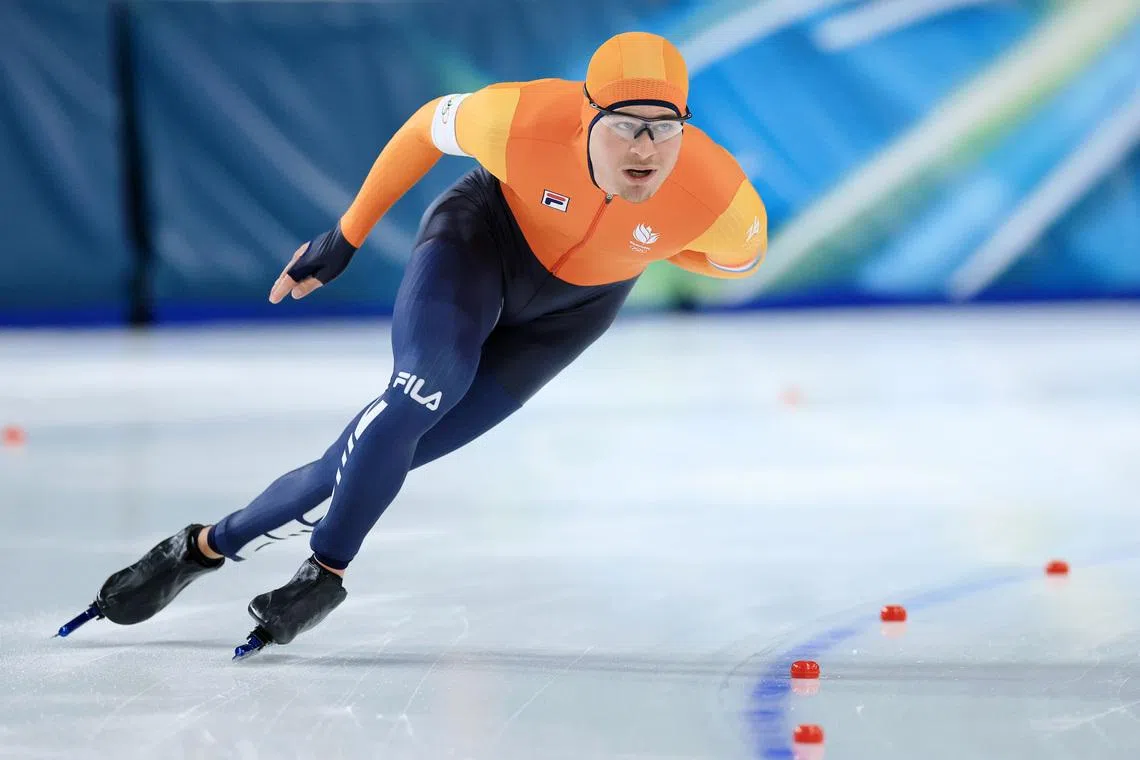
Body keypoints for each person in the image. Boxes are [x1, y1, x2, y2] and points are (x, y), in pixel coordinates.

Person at [57, 31, 767, 657]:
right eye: (625, 126)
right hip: (480, 243)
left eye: (663, 129)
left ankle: (201, 548)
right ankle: (325, 574)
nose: (644, 149)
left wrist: (643, 246)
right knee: (421, 391)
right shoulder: (519, 119)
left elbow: (739, 260)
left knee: (365, 458)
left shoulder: (721, 199)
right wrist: (346, 237)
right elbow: (427, 127)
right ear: (585, 117)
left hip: (570, 315)